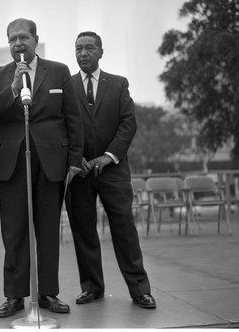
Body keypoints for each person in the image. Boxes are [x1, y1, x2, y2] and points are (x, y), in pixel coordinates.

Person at [0, 18, 83, 318]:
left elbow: (72, 118)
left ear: (35, 40)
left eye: (23, 37)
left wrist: (75, 161)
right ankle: (14, 296)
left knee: (48, 230)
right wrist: (12, 89)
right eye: (12, 39)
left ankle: (48, 293)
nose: (17, 44)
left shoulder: (59, 71)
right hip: (12, 165)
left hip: (51, 163)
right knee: (14, 232)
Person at [66, 31, 156, 309]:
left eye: (89, 48)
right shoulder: (65, 86)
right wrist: (75, 156)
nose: (83, 53)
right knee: (83, 230)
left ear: (101, 52)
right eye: (79, 48)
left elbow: (128, 124)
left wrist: (108, 156)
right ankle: (92, 288)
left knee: (124, 228)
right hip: (78, 172)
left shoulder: (118, 84)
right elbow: (60, 125)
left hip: (113, 170)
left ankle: (140, 290)